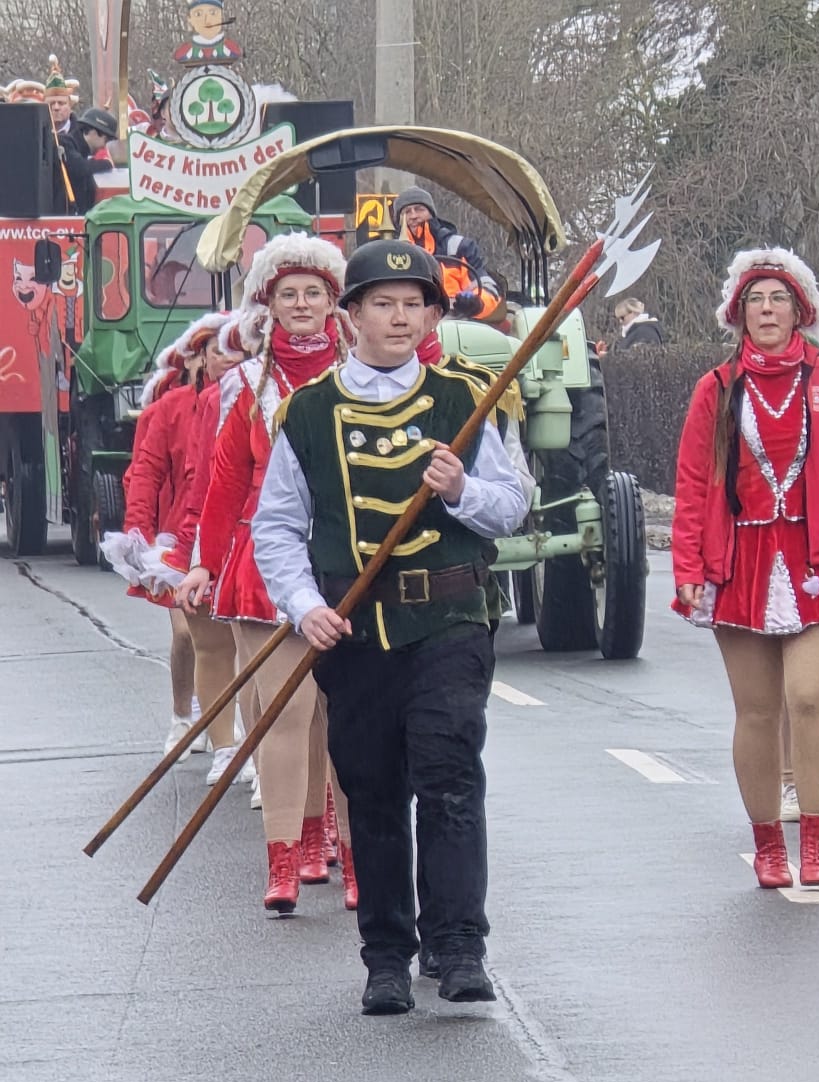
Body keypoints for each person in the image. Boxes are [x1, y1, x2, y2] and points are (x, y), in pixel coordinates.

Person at [253, 238, 527, 1015]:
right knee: (371, 789)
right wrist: (304, 605)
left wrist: (462, 488)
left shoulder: (467, 399)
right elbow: (277, 527)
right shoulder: (305, 415)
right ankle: (385, 955)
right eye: (383, 303)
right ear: (352, 318)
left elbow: (512, 507)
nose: (400, 317)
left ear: (432, 315)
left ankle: (459, 945)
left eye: (415, 304)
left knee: (448, 775)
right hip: (355, 629)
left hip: (449, 619)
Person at [672, 247, 819, 892]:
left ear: (801, 310)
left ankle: (814, 836)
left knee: (811, 696)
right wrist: (688, 562)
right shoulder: (717, 386)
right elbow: (692, 480)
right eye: (756, 300)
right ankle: (768, 843)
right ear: (738, 313)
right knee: (757, 711)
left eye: (779, 299)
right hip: (741, 561)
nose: (767, 310)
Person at [178, 236, 356, 916]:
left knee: (342, 717)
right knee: (285, 715)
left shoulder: (357, 377)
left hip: (343, 562)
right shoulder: (245, 387)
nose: (303, 305)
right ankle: (285, 856)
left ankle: (343, 847)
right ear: (269, 306)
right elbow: (224, 485)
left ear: (333, 302)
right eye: (290, 295)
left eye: (314, 293)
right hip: (263, 565)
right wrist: (204, 560)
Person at [111, 315, 233, 756]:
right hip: (180, 539)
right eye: (219, 351)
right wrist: (137, 539)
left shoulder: (258, 398)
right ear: (200, 357)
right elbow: (143, 474)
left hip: (237, 536)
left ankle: (231, 736)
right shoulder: (168, 410)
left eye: (238, 351)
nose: (228, 360)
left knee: (235, 636)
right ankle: (185, 714)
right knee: (188, 633)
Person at [393, 187, 503, 323]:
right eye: (406, 212)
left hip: (455, 322)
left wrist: (476, 303)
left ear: (431, 213)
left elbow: (487, 286)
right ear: (399, 220)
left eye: (419, 209)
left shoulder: (460, 247)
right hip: (404, 322)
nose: (413, 215)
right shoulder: (391, 254)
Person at [58, 106, 117, 216]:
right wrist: (106, 163)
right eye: (107, 139)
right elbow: (80, 168)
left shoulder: (81, 152)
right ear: (93, 132)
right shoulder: (65, 143)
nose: (105, 145)